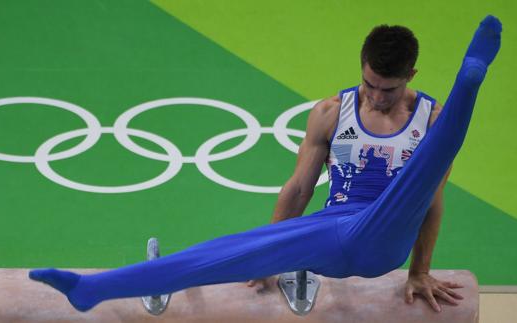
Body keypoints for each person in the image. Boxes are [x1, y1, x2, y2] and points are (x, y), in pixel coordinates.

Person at [29, 15, 502, 314]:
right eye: (369, 83)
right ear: (361, 66)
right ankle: (92, 290)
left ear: (411, 77)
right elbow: (299, 189)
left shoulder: (427, 117)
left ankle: (469, 82)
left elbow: (431, 202)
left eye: (389, 89)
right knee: (224, 253)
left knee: (428, 160)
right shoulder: (331, 113)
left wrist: (420, 271)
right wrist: (271, 250)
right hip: (330, 233)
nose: (377, 97)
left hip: (387, 237)